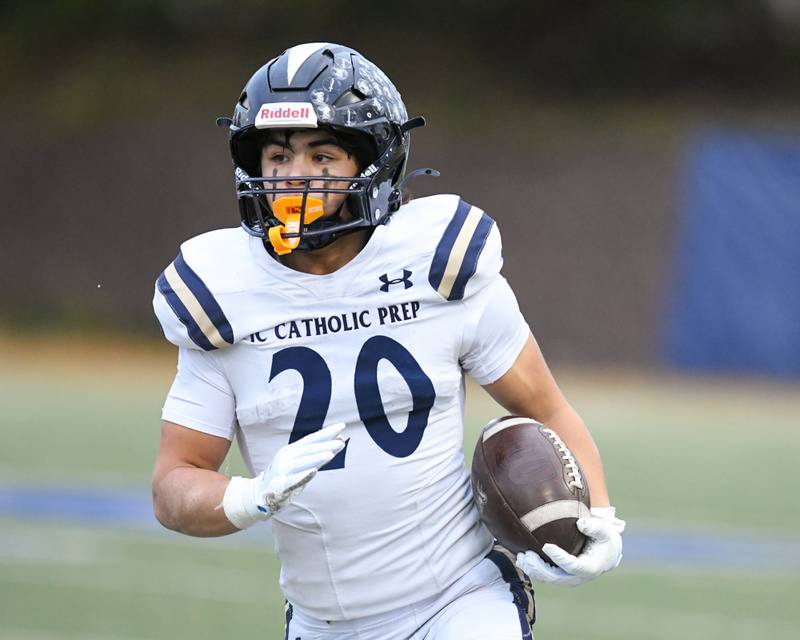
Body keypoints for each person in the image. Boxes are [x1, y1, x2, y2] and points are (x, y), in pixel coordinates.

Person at [151, 42, 625, 639]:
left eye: (322, 155)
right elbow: (174, 482)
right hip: (322, 623)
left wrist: (600, 514)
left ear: (374, 161)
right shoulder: (220, 291)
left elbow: (545, 408)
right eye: (277, 155)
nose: (294, 175)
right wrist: (250, 497)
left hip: (458, 600)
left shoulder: (439, 264)